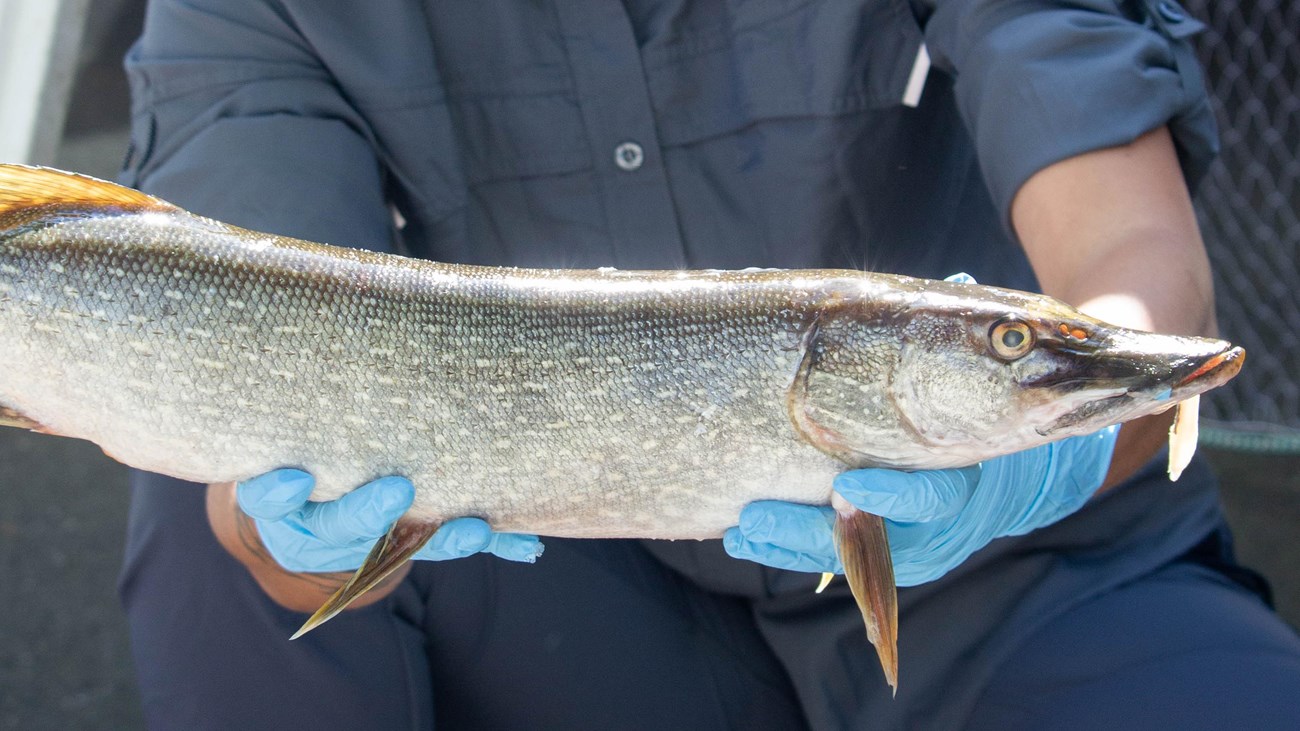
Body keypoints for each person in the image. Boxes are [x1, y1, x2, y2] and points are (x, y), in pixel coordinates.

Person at [117, 0, 1300, 728]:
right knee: (193, 534)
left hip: (1012, 573)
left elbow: (1134, 265)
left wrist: (1063, 443)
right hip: (562, 594)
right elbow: (241, 366)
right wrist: (275, 536)